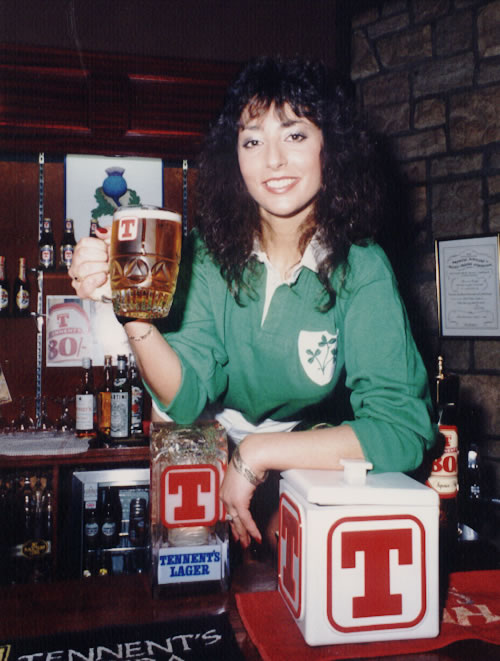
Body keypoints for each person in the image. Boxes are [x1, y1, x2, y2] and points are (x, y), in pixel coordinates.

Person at [69, 55, 436, 551]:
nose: (274, 160)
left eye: (295, 134)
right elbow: (185, 400)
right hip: (196, 439)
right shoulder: (204, 255)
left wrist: (259, 454)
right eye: (253, 141)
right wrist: (133, 310)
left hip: (304, 445)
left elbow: (402, 430)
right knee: (191, 564)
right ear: (234, 157)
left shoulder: (362, 268)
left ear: (330, 146)